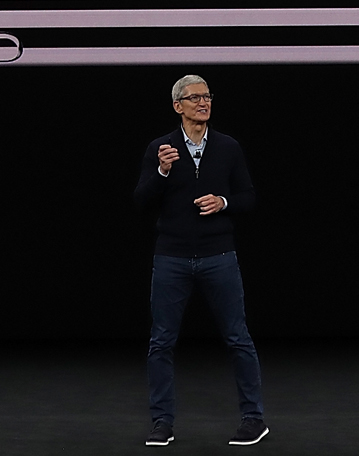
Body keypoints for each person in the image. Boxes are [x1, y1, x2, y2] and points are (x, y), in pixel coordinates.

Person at [133, 74, 267, 447]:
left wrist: (223, 202)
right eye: (194, 98)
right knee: (161, 342)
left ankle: (254, 418)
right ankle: (162, 422)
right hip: (171, 258)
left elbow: (249, 197)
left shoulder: (228, 147)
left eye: (207, 96)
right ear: (178, 106)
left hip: (219, 255)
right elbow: (141, 201)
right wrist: (161, 171)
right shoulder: (161, 148)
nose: (203, 103)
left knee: (238, 338)